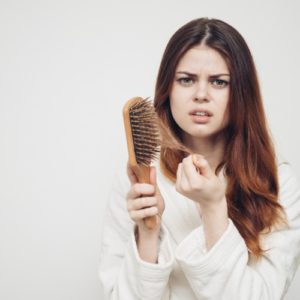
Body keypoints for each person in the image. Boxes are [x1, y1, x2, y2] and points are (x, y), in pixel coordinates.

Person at [99, 18, 300, 299]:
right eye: (186, 80)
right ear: (167, 89)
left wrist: (214, 207)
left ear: (241, 93)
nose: (201, 95)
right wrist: (149, 233)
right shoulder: (137, 183)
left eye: (219, 82)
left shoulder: (279, 184)